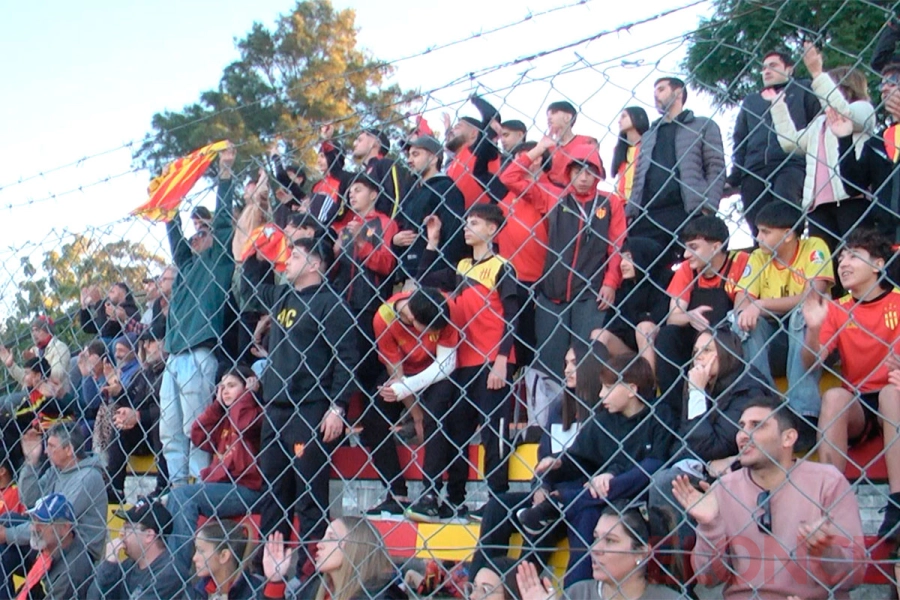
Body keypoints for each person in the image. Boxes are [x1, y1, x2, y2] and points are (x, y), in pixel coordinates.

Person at [673, 397, 865, 599]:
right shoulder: (723, 488)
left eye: (757, 426)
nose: (743, 435)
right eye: (741, 426)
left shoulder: (827, 482)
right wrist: (710, 526)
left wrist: (827, 551)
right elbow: (708, 579)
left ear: (788, 438)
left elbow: (855, 577)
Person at [246, 236, 357, 581]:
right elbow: (249, 288)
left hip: (308, 410)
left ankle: (311, 575)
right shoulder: (283, 295)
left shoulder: (330, 304)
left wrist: (337, 407)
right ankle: (272, 573)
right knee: (273, 495)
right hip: (275, 410)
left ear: (314, 264)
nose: (287, 261)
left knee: (309, 497)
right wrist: (256, 246)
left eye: (295, 255)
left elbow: (347, 359)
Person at [519, 354, 672, 586]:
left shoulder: (659, 415)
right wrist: (558, 463)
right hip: (596, 499)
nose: (601, 394)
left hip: (639, 499)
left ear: (632, 389)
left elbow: (655, 465)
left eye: (609, 387)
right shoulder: (602, 421)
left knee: (650, 468)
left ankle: (563, 502)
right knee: (587, 513)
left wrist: (611, 479)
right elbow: (578, 459)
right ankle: (573, 590)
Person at [800, 229, 900, 544]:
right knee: (832, 396)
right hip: (860, 403)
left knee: (890, 392)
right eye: (841, 256)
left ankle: (897, 501)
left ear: (878, 265)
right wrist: (814, 329)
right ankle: (831, 501)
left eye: (854, 255)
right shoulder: (838, 308)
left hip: (895, 392)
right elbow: (811, 363)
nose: (843, 262)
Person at [419, 204, 519, 519]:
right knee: (455, 431)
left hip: (493, 361)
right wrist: (431, 242)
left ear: (492, 229)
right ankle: (455, 498)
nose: (466, 227)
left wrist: (503, 360)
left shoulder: (503, 266)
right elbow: (424, 279)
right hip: (463, 363)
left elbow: (513, 316)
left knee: (493, 431)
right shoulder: (461, 266)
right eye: (466, 221)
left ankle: (497, 499)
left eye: (474, 222)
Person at [471, 342, 603, 576]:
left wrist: (553, 495)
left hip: (577, 499)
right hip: (549, 492)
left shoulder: (603, 414)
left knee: (542, 522)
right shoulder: (559, 407)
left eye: (574, 363)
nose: (567, 370)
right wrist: (541, 486)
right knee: (497, 506)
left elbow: (597, 464)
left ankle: (514, 587)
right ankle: (481, 582)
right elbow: (544, 455)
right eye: (566, 364)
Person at [160, 144, 236, 485]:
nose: (195, 237)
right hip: (174, 357)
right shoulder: (187, 265)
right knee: (169, 432)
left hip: (199, 352)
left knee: (196, 430)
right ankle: (178, 491)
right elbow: (175, 236)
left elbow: (222, 225)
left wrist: (225, 174)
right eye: (194, 233)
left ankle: (198, 487)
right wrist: (168, 205)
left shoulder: (219, 262)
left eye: (201, 233)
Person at [649, 329, 771, 528]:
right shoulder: (702, 383)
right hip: (706, 466)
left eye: (707, 350)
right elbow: (685, 437)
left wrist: (696, 392)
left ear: (726, 353)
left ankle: (686, 555)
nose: (699, 357)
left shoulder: (748, 389)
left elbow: (713, 446)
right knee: (662, 478)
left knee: (666, 482)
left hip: (739, 470)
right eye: (696, 351)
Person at [528, 143, 625, 392]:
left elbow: (616, 246)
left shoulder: (609, 202)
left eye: (590, 172)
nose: (583, 178)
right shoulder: (554, 197)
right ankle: (550, 422)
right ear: (568, 172)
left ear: (598, 174)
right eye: (578, 171)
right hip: (552, 294)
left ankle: (586, 414)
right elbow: (511, 177)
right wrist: (539, 148)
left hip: (590, 294)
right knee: (549, 361)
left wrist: (611, 281)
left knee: (586, 359)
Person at [733, 202, 833, 441]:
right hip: (774, 341)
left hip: (813, 339)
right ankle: (766, 403)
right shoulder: (758, 257)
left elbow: (813, 295)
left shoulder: (813, 247)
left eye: (766, 232)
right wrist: (751, 308)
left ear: (788, 235)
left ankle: (803, 414)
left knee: (804, 312)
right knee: (739, 321)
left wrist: (762, 304)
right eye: (758, 231)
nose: (758, 238)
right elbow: (741, 302)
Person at [769, 43, 877, 254]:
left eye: (828, 86)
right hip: (818, 204)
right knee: (825, 262)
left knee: (855, 253)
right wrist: (778, 106)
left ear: (844, 88)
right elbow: (790, 142)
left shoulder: (863, 109)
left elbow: (843, 114)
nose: (821, 93)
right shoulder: (819, 123)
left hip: (850, 198)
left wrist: (818, 74)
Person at [365, 288, 459, 520]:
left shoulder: (443, 305)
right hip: (405, 374)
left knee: (436, 416)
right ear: (412, 319)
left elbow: (446, 364)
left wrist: (423, 414)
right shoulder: (384, 318)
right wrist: (416, 413)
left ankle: (431, 495)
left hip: (437, 373)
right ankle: (397, 493)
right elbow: (396, 374)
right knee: (373, 418)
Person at [167, 366, 263, 575]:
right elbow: (198, 434)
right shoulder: (225, 419)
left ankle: (176, 571)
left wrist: (247, 396)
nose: (225, 391)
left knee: (182, 495)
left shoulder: (257, 414)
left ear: (248, 385)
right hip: (221, 488)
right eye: (222, 387)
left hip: (247, 489)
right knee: (173, 498)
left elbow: (244, 426)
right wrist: (218, 405)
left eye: (232, 386)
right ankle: (173, 564)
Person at [653, 216, 750, 421]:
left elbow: (743, 308)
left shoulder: (740, 261)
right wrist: (688, 316)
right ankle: (676, 409)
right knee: (667, 336)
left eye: (694, 247)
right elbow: (673, 317)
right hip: (695, 340)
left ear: (715, 247)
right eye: (686, 248)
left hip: (728, 339)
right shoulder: (687, 269)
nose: (686, 254)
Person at [626, 77, 726, 268]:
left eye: (661, 89)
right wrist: (631, 212)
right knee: (644, 271)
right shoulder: (649, 135)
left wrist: (707, 208)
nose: (656, 95)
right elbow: (639, 176)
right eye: (655, 91)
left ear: (678, 93)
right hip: (649, 214)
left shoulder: (702, 125)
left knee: (692, 270)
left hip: (686, 210)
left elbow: (716, 167)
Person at [729, 49, 820, 236]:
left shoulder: (804, 89)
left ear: (789, 69)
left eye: (773, 66)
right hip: (754, 169)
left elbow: (818, 126)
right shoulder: (751, 101)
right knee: (757, 224)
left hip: (791, 163)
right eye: (763, 68)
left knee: (785, 213)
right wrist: (736, 173)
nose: (767, 71)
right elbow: (740, 139)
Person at [516, 503, 682, 600]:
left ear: (642, 552)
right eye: (595, 538)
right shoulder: (578, 594)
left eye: (610, 541)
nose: (594, 548)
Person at [262, 517, 404, 600]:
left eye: (331, 537)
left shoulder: (381, 596)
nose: (319, 545)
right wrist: (275, 581)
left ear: (355, 547)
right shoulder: (316, 588)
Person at [104, 329, 168, 502]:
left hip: (164, 432)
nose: (146, 346)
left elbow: (166, 409)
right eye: (143, 343)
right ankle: (115, 489)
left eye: (151, 341)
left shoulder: (171, 369)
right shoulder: (145, 373)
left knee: (158, 421)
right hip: (144, 437)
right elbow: (133, 403)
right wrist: (119, 393)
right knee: (119, 422)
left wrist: (138, 415)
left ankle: (163, 485)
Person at [393, 135, 466, 285]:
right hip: (408, 275)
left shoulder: (445, 189)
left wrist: (438, 275)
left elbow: (454, 237)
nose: (409, 160)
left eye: (416, 154)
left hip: (432, 279)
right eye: (408, 155)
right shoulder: (414, 192)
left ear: (433, 159)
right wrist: (395, 240)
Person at [593, 237, 669, 373]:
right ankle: (598, 385)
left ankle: (647, 387)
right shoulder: (625, 288)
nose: (623, 264)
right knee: (598, 335)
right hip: (627, 349)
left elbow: (658, 318)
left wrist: (638, 320)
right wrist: (641, 316)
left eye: (629, 258)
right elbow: (612, 325)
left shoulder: (664, 282)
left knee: (644, 328)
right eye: (622, 258)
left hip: (656, 350)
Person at [90, 498, 183, 599]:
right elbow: (93, 597)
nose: (121, 533)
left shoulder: (168, 575)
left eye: (127, 528)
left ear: (149, 535)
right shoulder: (130, 564)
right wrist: (108, 565)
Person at [14, 493, 93, 600]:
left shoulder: (71, 572)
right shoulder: (50, 547)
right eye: (33, 519)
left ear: (65, 528)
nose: (34, 528)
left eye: (43, 522)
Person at [444, 94, 507, 207]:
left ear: (474, 134)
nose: (452, 131)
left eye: (458, 127)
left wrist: (475, 99)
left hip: (479, 217)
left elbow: (492, 118)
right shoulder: (454, 163)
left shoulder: (481, 153)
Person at [0, 316, 71, 397]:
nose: (33, 334)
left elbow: (57, 375)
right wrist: (11, 365)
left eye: (37, 330)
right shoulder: (35, 350)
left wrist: (38, 361)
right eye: (32, 331)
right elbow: (25, 378)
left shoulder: (60, 347)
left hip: (52, 395)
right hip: (33, 394)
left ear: (47, 330)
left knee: (9, 401)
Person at [191, 520, 263, 599]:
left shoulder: (256, 592)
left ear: (224, 556)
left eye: (201, 551)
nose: (194, 558)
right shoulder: (201, 588)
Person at [351, 127, 410, 219]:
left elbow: (397, 198)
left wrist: (390, 227)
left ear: (375, 143)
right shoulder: (362, 173)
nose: (354, 143)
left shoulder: (385, 164)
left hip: (386, 227)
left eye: (360, 140)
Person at [544, 100, 599, 187]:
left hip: (575, 190)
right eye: (547, 115)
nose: (549, 118)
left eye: (554, 113)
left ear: (568, 117)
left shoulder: (586, 142)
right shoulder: (547, 146)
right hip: (550, 190)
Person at [610, 107, 650, 206]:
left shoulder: (648, 146)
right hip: (621, 203)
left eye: (624, 116)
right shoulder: (620, 150)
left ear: (637, 117)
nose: (619, 121)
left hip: (642, 200)